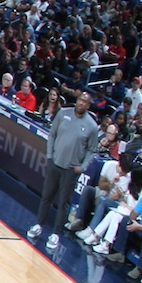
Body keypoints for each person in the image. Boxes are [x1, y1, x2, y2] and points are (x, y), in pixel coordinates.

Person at [27, 91, 100, 252]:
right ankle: (39, 224)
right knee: (46, 197)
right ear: (77, 100)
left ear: (88, 105)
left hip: (70, 170)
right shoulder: (63, 113)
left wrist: (82, 167)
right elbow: (52, 134)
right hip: (55, 164)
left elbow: (92, 150)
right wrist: (50, 155)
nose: (81, 103)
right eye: (80, 100)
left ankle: (55, 234)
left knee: (64, 203)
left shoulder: (92, 126)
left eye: (85, 102)